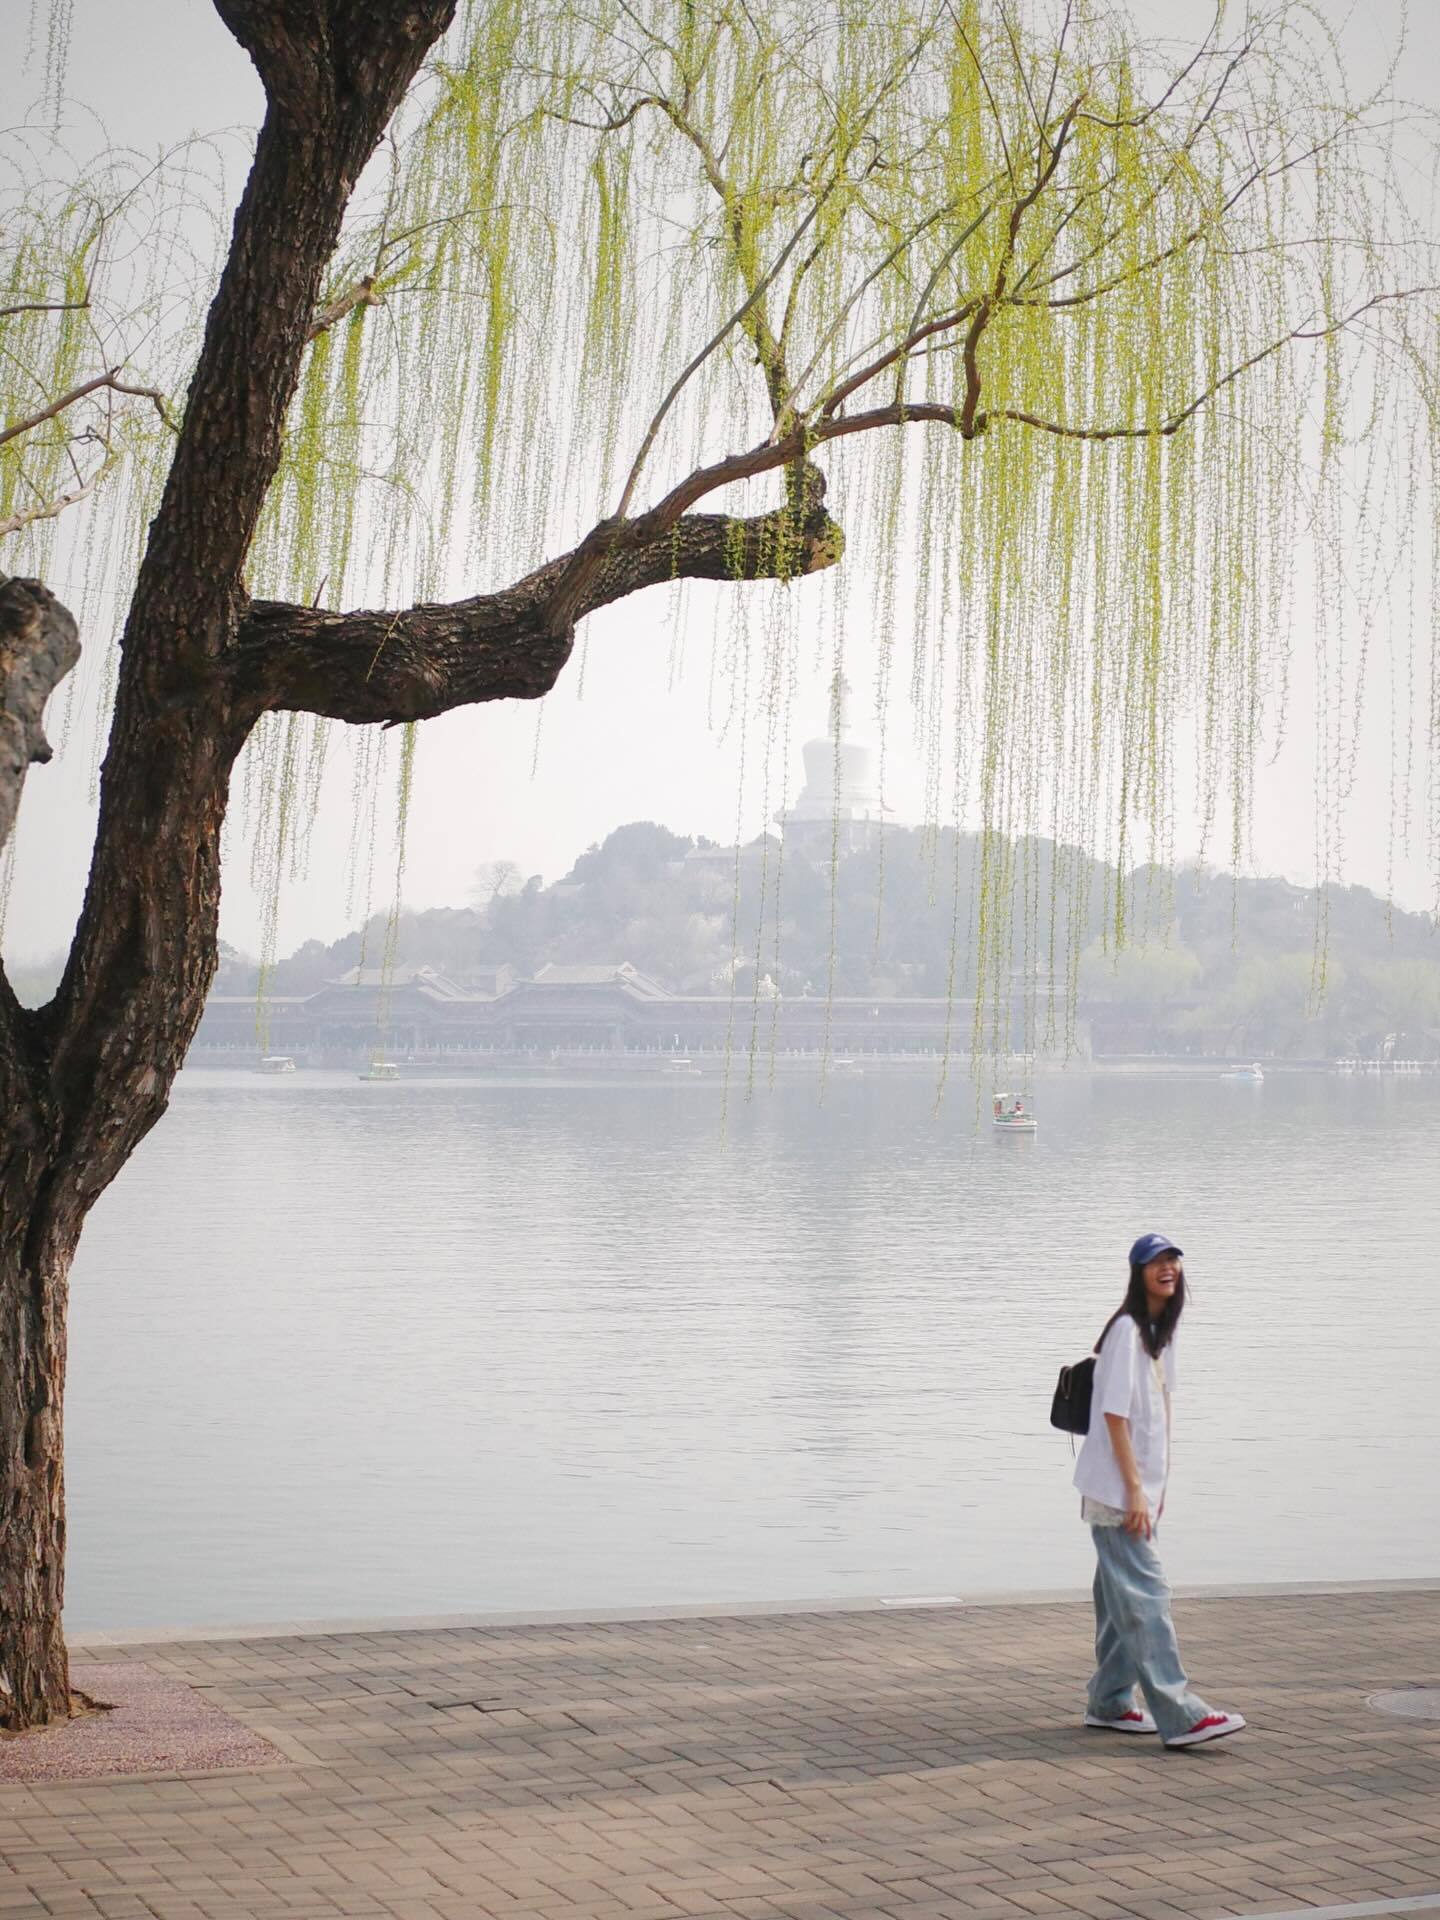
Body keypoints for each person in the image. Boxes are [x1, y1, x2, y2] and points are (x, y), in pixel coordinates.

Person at [1072, 1232, 1245, 1749]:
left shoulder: (1157, 1332)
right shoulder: (1127, 1331)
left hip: (1135, 1489)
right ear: (1138, 1272)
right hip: (1117, 1491)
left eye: (1172, 1260)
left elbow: (1161, 1410)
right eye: (1156, 1262)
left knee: (1120, 1597)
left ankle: (1109, 1702)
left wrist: (1156, 1486)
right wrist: (1135, 1492)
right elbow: (1115, 1416)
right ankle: (1181, 1713)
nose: (1167, 1268)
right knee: (1148, 1597)